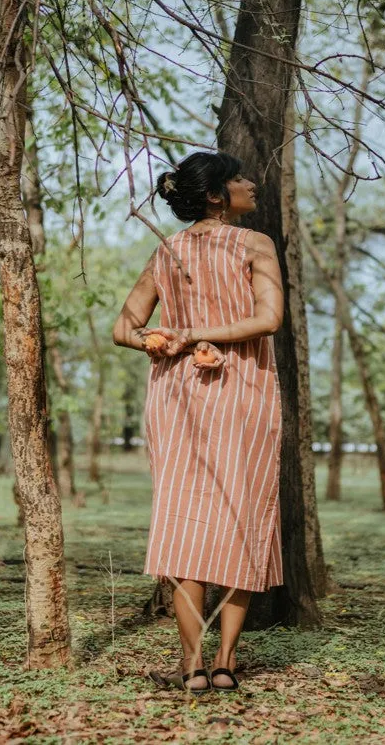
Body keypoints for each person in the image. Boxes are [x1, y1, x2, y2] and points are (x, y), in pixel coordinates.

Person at [112, 151, 284, 694]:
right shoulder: (256, 244)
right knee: (243, 517)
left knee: (185, 518)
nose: (251, 183)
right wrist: (173, 336)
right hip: (241, 390)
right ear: (215, 195)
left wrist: (161, 338)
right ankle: (224, 664)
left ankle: (194, 667)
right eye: (238, 178)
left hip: (178, 393)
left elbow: (123, 326)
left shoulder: (167, 252)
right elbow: (268, 318)